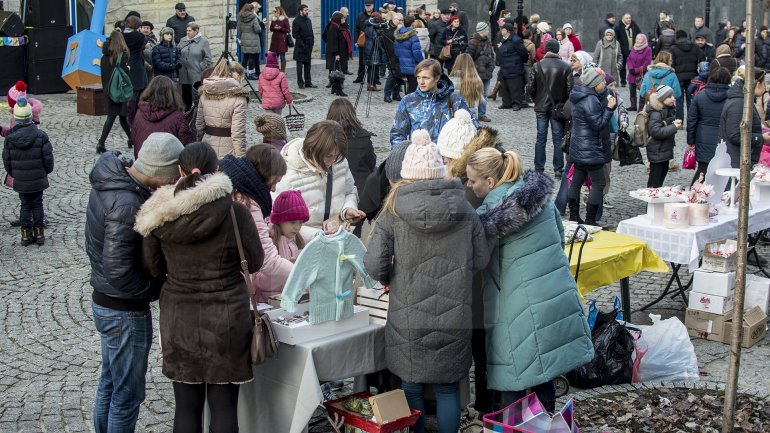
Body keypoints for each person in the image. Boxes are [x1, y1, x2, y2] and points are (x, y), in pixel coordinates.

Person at [365, 129, 489, 433]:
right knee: (448, 389)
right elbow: (482, 259)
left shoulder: (393, 210)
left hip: (408, 314)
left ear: (407, 174)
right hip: (454, 314)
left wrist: (387, 278)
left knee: (411, 386)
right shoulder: (466, 209)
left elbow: (373, 263)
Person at [134, 141, 263, 433]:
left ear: (179, 171)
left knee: (186, 406)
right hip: (227, 321)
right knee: (225, 407)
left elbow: (153, 268)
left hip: (180, 321)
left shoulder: (159, 217)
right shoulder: (236, 213)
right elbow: (254, 262)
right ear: (216, 171)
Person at [466, 147, 592, 413]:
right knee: (542, 370)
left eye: (472, 180)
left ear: (490, 182)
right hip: (554, 294)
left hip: (517, 306)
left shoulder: (488, 218)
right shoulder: (540, 200)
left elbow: (478, 263)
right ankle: (544, 422)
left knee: (512, 374)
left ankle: (515, 427)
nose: (469, 185)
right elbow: (559, 237)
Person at [86, 133, 183, 433]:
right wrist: (153, 290)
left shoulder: (113, 181)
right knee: (127, 395)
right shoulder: (127, 203)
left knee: (110, 384)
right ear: (161, 170)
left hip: (104, 300)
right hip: (123, 310)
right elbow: (118, 269)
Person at [219, 144, 291, 303]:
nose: (273, 189)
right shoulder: (248, 201)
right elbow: (268, 261)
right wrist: (304, 275)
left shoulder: (230, 184)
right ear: (266, 174)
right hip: (224, 284)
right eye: (275, 181)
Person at [275, 120, 365, 242]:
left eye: (337, 155)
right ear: (312, 149)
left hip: (335, 239)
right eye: (328, 156)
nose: (332, 161)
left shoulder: (340, 163)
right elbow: (280, 221)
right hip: (304, 247)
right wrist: (319, 235)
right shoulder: (286, 174)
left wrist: (347, 209)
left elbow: (350, 191)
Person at [390, 58, 479, 146]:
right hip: (418, 157)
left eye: (425, 78)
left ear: (436, 78)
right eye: (418, 77)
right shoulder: (408, 100)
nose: (421, 82)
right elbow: (397, 134)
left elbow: (473, 127)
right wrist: (403, 155)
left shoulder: (454, 99)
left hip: (446, 157)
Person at [2, 97, 53, 245]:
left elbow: (7, 161)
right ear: (31, 116)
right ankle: (39, 233)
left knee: (25, 205)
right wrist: (45, 172)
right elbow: (48, 159)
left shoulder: (10, 138)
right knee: (38, 204)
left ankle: (25, 235)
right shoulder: (41, 136)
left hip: (21, 180)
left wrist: (14, 174)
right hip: (38, 178)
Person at [567, 67, 613, 225]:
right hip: (590, 149)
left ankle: (573, 216)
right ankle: (590, 220)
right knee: (599, 183)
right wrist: (609, 109)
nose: (604, 84)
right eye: (602, 82)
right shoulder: (591, 100)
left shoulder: (579, 95)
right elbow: (598, 124)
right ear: (594, 84)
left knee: (576, 182)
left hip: (578, 147)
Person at [325, 98, 375, 237]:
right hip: (359, 191)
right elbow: (371, 163)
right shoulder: (364, 138)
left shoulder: (325, 139)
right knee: (353, 233)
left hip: (334, 190)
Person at [528, 39, 570, 177]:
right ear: (558, 50)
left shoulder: (537, 65)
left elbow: (530, 87)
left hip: (541, 106)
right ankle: (558, 168)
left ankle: (539, 168)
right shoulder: (565, 66)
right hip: (558, 108)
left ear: (546, 49)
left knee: (541, 138)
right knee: (558, 138)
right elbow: (570, 89)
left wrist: (536, 99)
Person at [195, 60, 249, 158]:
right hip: (228, 151)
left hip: (207, 147)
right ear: (237, 76)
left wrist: (200, 144)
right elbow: (238, 133)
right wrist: (241, 157)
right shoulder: (239, 98)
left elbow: (199, 125)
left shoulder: (205, 93)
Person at [687, 66, 731, 184]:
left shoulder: (700, 96)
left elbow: (691, 120)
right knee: (723, 171)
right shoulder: (731, 98)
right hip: (724, 138)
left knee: (702, 170)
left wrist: (691, 141)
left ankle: (695, 196)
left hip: (703, 137)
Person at [131, 76, 194, 157]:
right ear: (172, 93)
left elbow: (133, 137)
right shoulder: (178, 117)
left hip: (142, 162)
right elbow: (188, 144)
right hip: (167, 165)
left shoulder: (140, 112)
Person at [718, 68, 769, 168]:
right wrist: (761, 138)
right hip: (736, 161)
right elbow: (735, 135)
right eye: (764, 84)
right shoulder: (739, 103)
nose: (765, 88)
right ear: (757, 84)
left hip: (738, 158)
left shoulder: (741, 100)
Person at [97, 31, 132, 154]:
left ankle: (131, 138)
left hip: (108, 90)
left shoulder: (103, 57)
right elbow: (124, 74)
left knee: (121, 116)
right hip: (119, 91)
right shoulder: (121, 56)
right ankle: (101, 143)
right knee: (114, 117)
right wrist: (128, 69)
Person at [645, 85, 681, 187]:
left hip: (663, 150)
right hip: (657, 151)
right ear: (662, 99)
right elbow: (655, 131)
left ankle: (655, 201)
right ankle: (651, 202)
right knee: (654, 181)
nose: (673, 98)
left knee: (659, 179)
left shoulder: (667, 109)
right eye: (669, 97)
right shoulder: (656, 112)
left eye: (673, 96)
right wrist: (674, 127)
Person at [266, 190, 309, 264]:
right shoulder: (269, 244)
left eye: (300, 222)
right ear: (279, 220)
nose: (297, 227)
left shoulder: (293, 240)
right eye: (293, 222)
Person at [670, 29, 705, 120]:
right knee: (691, 99)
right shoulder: (695, 47)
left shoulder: (673, 48)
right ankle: (691, 120)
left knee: (679, 99)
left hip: (678, 77)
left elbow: (671, 63)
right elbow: (702, 58)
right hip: (692, 76)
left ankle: (679, 121)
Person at [178, 22, 212, 110]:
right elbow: (177, 52)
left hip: (196, 73)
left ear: (196, 31)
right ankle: (187, 114)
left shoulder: (203, 41)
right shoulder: (183, 40)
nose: (187, 32)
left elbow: (208, 58)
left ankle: (198, 114)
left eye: (190, 31)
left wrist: (200, 67)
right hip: (184, 73)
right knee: (186, 96)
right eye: (187, 30)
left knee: (197, 95)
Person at [466, 22, 495, 122]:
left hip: (487, 72)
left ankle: (482, 114)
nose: (488, 31)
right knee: (473, 94)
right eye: (487, 29)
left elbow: (491, 54)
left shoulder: (488, 41)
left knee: (484, 94)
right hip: (476, 73)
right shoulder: (473, 42)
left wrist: (492, 66)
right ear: (482, 31)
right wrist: (475, 68)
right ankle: (471, 114)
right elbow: (468, 57)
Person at [496, 22, 529, 111]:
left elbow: (524, 53)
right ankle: (506, 103)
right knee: (505, 86)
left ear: (507, 31)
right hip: (504, 67)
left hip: (514, 68)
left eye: (503, 29)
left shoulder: (515, 40)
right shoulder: (503, 39)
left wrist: (518, 62)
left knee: (515, 88)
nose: (501, 31)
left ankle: (516, 104)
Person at [123, 16, 148, 121]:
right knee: (137, 92)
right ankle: (133, 116)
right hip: (137, 66)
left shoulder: (121, 35)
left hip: (125, 64)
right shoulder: (140, 36)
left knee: (129, 91)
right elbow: (144, 45)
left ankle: (128, 114)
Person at [394, 15, 425, 95]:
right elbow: (417, 53)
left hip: (403, 65)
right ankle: (408, 104)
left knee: (409, 87)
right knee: (412, 88)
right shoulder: (413, 36)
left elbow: (396, 53)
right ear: (412, 23)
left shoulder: (398, 35)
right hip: (412, 66)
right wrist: (422, 61)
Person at [325, 12, 352, 96]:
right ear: (338, 19)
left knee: (338, 70)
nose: (344, 19)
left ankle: (334, 88)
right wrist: (336, 54)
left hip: (341, 52)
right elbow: (334, 41)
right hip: (336, 54)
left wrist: (344, 24)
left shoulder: (339, 26)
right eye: (342, 18)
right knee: (337, 72)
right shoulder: (333, 27)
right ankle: (338, 90)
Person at [450, 54, 484, 121]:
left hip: (456, 116)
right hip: (472, 116)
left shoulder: (451, 80)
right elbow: (481, 101)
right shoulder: (477, 81)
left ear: (456, 63)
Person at [237, 3, 265, 80]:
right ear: (251, 9)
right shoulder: (253, 18)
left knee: (245, 57)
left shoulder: (240, 17)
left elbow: (239, 30)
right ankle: (251, 73)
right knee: (252, 56)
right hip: (253, 40)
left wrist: (240, 38)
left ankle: (243, 73)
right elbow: (258, 29)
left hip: (244, 39)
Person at [626, 33, 652, 111]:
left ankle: (641, 107)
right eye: (637, 39)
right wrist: (631, 68)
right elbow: (629, 59)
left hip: (641, 74)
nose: (638, 40)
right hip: (632, 74)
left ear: (643, 40)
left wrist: (637, 70)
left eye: (640, 39)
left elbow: (647, 62)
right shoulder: (633, 48)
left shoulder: (648, 49)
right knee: (632, 90)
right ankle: (633, 105)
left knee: (642, 91)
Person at [293, 4, 316, 89]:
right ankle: (300, 83)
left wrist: (312, 42)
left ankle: (308, 82)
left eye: (307, 10)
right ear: (301, 11)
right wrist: (302, 44)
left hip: (309, 45)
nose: (307, 11)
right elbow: (295, 34)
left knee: (308, 65)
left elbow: (311, 32)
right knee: (299, 67)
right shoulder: (296, 21)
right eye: (306, 10)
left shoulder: (308, 20)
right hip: (300, 47)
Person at [614, 13, 641, 87]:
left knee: (634, 66)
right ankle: (623, 81)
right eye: (627, 18)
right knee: (622, 67)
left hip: (633, 50)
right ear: (623, 18)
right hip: (623, 50)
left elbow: (640, 34)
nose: (629, 19)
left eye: (629, 18)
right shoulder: (618, 26)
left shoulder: (634, 25)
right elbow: (616, 38)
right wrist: (620, 48)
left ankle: (634, 80)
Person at [354, 0, 376, 84]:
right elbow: (356, 28)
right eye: (367, 6)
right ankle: (360, 77)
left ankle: (374, 79)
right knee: (361, 60)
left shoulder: (376, 15)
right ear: (364, 6)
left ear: (373, 6)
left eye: (369, 6)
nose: (368, 7)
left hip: (373, 41)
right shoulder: (360, 15)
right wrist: (356, 41)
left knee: (373, 61)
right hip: (363, 41)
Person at [269, 6, 290, 72]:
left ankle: (283, 71)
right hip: (275, 40)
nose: (274, 13)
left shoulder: (285, 19)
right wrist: (275, 28)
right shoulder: (273, 19)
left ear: (279, 11)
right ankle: (276, 70)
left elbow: (288, 30)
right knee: (275, 56)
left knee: (282, 56)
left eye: (275, 11)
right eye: (273, 11)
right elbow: (271, 29)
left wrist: (280, 28)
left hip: (282, 40)